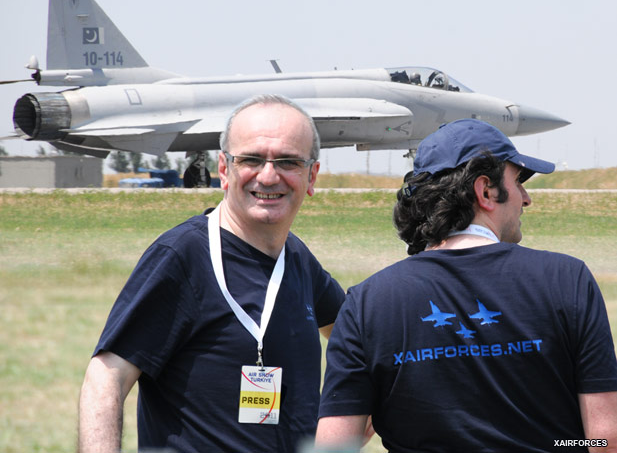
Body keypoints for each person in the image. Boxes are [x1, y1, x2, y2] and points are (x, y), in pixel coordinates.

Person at [315, 119, 617, 452]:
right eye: (519, 182)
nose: (526, 199)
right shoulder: (567, 279)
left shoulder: (366, 302)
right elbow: (604, 439)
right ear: (485, 191)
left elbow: (333, 446)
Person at [78, 94, 345, 453]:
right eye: (251, 159)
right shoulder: (183, 256)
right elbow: (106, 378)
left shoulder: (296, 259)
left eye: (288, 162)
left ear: (311, 175)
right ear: (224, 169)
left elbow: (359, 345)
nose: (268, 176)